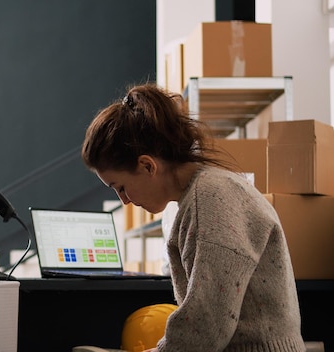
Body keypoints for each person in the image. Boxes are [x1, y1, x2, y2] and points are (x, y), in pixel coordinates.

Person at [80, 83, 304, 351]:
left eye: (121, 187)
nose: (124, 201)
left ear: (147, 165)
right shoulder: (207, 190)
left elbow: (206, 326)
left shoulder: (211, 198)